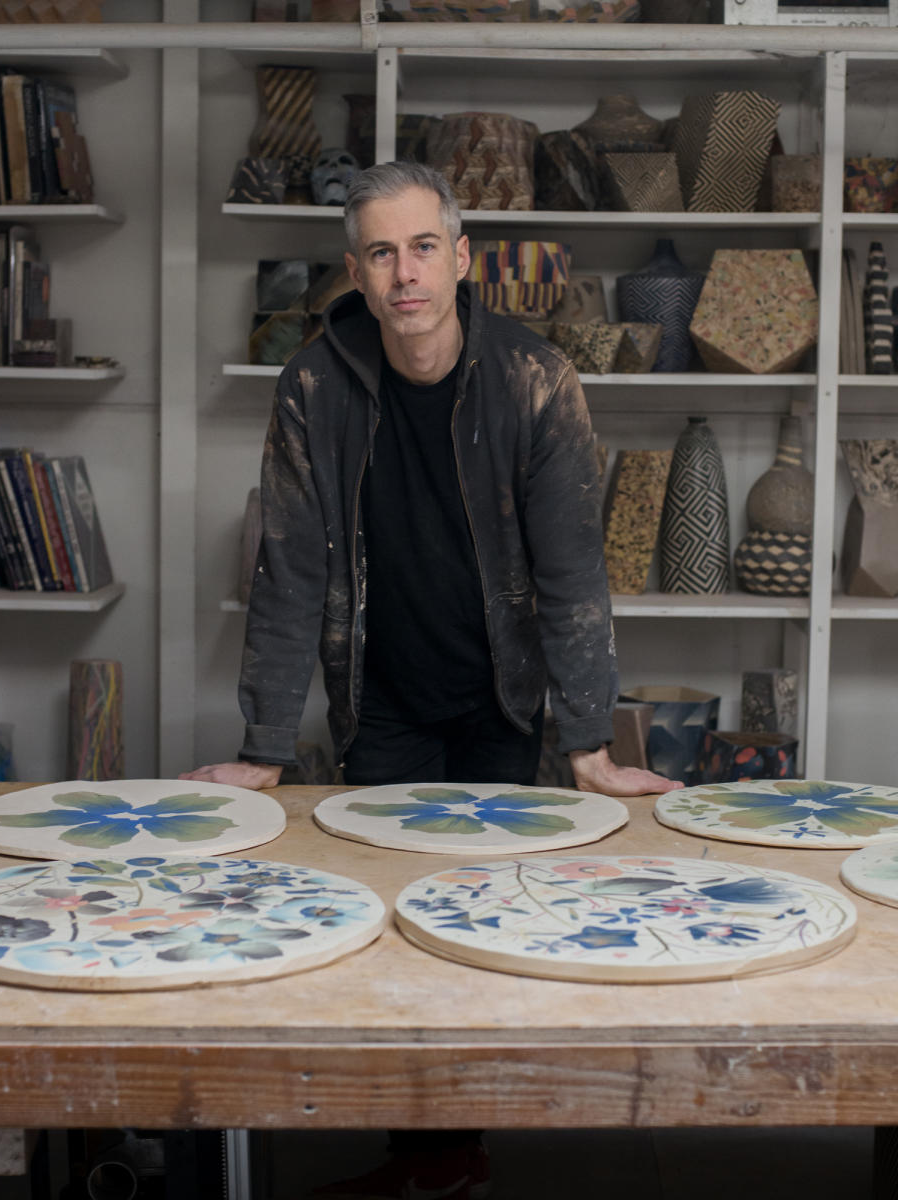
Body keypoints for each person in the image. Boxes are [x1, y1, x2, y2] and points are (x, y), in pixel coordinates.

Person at [182, 161, 682, 1198]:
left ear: (460, 258)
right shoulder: (314, 383)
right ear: (355, 274)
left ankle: (464, 1143)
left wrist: (588, 742)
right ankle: (430, 1156)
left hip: (503, 694)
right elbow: (290, 569)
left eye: (422, 248)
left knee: (478, 918)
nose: (404, 274)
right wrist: (265, 747)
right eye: (380, 253)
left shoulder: (536, 379)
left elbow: (571, 569)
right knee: (386, 922)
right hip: (384, 697)